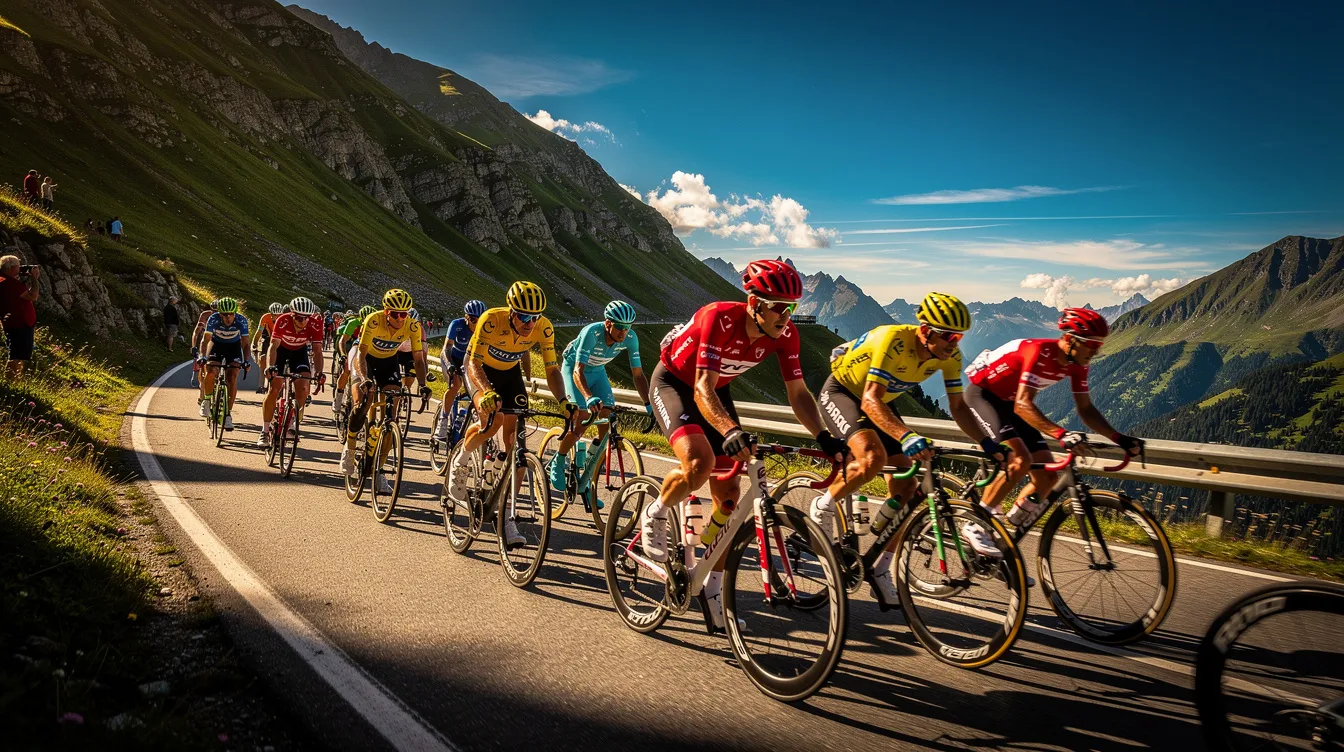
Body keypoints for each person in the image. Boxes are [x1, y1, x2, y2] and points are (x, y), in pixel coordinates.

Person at [639, 259, 847, 632]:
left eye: (792, 307)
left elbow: (799, 394)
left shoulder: (785, 335)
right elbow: (700, 388)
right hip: (674, 383)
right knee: (700, 463)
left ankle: (712, 587)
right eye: (779, 307)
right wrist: (730, 430)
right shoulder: (717, 319)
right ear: (754, 303)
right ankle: (656, 512)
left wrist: (824, 436)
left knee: (730, 495)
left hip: (715, 391)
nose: (786, 316)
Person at [812, 293, 1008, 604]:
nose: (954, 344)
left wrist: (987, 443)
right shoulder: (894, 340)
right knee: (872, 458)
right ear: (925, 330)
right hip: (844, 393)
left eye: (959, 337)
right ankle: (822, 506)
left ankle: (881, 569)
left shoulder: (950, 357)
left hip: (881, 403)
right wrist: (906, 437)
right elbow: (869, 400)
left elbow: (958, 407)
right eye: (948, 336)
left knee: (908, 487)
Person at [963, 307, 1145, 551]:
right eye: (1091, 344)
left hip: (1011, 404)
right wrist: (1062, 434)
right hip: (983, 395)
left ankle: (1005, 537)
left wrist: (1119, 438)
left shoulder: (1077, 364)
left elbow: (1086, 409)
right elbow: (1023, 404)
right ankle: (975, 524)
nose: (1096, 351)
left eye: (1099, 345)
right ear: (1069, 339)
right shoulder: (1039, 352)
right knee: (1020, 460)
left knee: (1047, 478)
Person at [445, 281, 573, 548]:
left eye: (535, 317)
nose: (530, 323)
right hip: (479, 369)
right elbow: (473, 362)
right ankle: (462, 459)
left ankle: (506, 515)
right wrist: (486, 392)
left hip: (509, 372)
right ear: (512, 312)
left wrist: (563, 400)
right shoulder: (491, 320)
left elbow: (552, 369)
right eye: (524, 317)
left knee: (516, 448)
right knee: (493, 421)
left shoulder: (544, 327)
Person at [547, 300, 652, 492]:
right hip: (574, 370)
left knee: (606, 423)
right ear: (608, 323)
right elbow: (578, 371)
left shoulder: (631, 338)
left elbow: (638, 375)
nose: (623, 332)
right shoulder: (591, 332)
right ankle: (558, 460)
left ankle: (587, 475)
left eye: (627, 327)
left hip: (598, 372)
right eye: (619, 327)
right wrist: (588, 397)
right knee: (582, 417)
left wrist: (649, 404)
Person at [341, 290, 429, 494]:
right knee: (363, 401)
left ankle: (379, 470)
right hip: (365, 360)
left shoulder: (413, 326)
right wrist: (364, 379)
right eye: (395, 314)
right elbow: (361, 353)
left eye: (403, 314)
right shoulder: (373, 320)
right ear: (386, 312)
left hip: (388, 362)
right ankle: (350, 445)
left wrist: (423, 384)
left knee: (391, 415)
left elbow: (418, 359)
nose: (400, 318)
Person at [258, 297, 326, 447]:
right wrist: (270, 366)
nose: (303, 321)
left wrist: (319, 372)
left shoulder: (314, 324)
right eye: (300, 318)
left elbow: (317, 350)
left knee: (304, 387)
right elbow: (273, 347)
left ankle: (292, 421)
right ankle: (265, 430)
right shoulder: (283, 320)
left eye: (307, 318)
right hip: (281, 351)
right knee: (274, 389)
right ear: (292, 315)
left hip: (299, 353)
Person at [432, 300, 485, 441]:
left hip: (470, 362)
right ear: (466, 317)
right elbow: (446, 348)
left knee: (478, 390)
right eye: (473, 320)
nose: (476, 324)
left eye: (480, 320)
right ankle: (443, 421)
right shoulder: (457, 324)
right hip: (452, 359)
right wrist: (450, 365)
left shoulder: (485, 330)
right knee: (455, 385)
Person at [197, 297, 251, 430]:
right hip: (216, 345)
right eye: (224, 314)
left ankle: (227, 415)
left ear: (235, 313)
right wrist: (202, 356)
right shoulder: (213, 318)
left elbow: (245, 344)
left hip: (233, 347)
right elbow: (205, 340)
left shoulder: (241, 320)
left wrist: (246, 361)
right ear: (219, 314)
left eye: (231, 314)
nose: (228, 317)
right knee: (211, 372)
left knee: (232, 377)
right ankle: (206, 400)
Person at [332, 304, 375, 417]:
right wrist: (343, 355)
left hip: (365, 347)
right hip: (351, 344)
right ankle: (338, 395)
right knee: (347, 369)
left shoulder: (376, 325)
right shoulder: (354, 323)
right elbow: (342, 341)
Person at [0, 256, 40, 379]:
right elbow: (33, 296)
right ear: (11, 268)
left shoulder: (3, 280)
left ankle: (14, 379)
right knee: (16, 355)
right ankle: (10, 381)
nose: (20, 269)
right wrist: (34, 279)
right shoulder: (11, 284)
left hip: (12, 323)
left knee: (18, 354)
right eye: (18, 266)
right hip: (20, 324)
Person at [396, 308, 430, 397]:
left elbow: (423, 355)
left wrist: (425, 373)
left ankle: (407, 390)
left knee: (410, 375)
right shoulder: (397, 325)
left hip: (411, 354)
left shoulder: (420, 329)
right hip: (396, 353)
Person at [252, 302, 282, 394]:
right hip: (269, 338)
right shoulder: (265, 317)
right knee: (263, 359)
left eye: (278, 315)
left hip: (281, 339)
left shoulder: (284, 318)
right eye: (273, 315)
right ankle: (261, 385)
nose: (275, 317)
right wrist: (254, 343)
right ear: (270, 313)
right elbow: (259, 331)